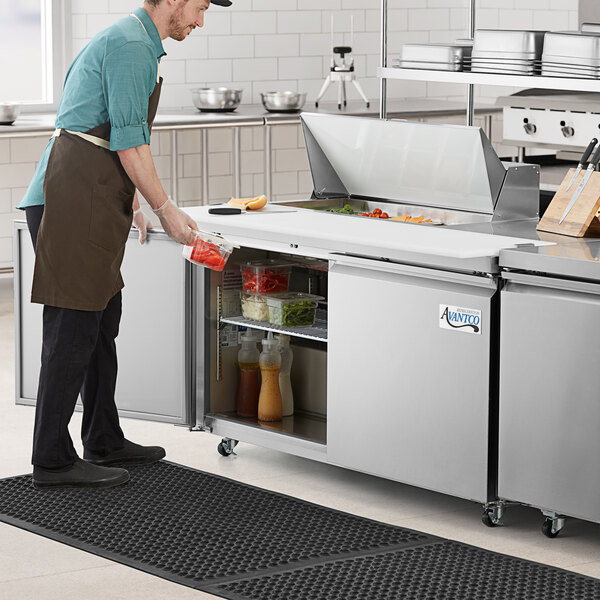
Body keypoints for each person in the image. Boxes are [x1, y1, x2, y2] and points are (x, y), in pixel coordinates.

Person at [17, 0, 233, 490]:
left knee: (101, 321)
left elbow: (103, 126)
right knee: (72, 328)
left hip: (89, 193)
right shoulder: (134, 45)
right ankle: (51, 460)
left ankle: (103, 436)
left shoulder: (133, 39)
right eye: (200, 7)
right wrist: (165, 209)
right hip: (73, 199)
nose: (200, 21)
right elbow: (129, 141)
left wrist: (131, 202)